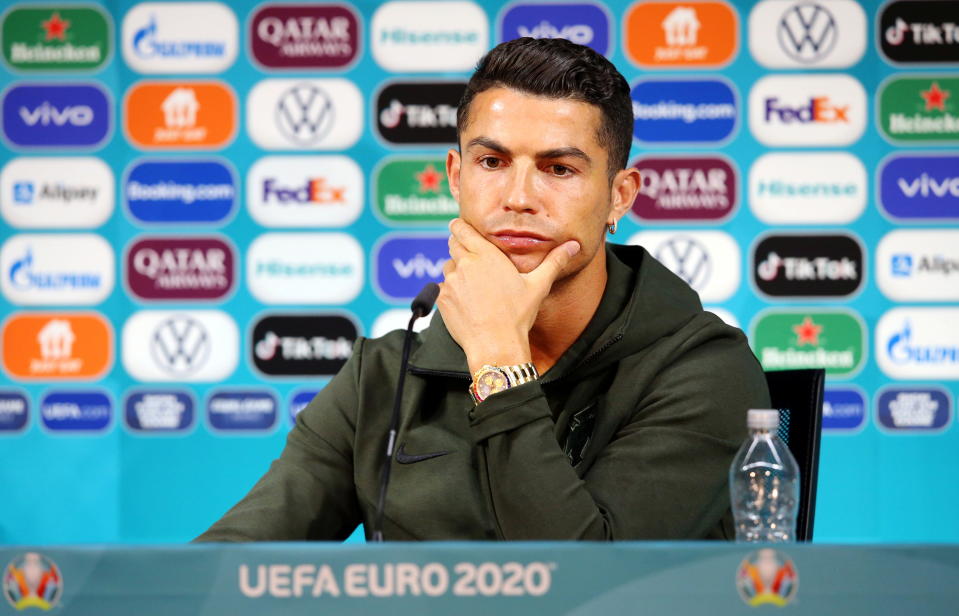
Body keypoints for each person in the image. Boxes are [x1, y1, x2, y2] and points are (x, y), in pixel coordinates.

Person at [196, 38, 769, 542]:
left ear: (620, 196)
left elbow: (585, 588)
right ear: (455, 177)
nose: (518, 197)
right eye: (492, 161)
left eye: (559, 169)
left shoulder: (703, 369)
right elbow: (239, 555)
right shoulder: (385, 375)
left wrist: (498, 356)